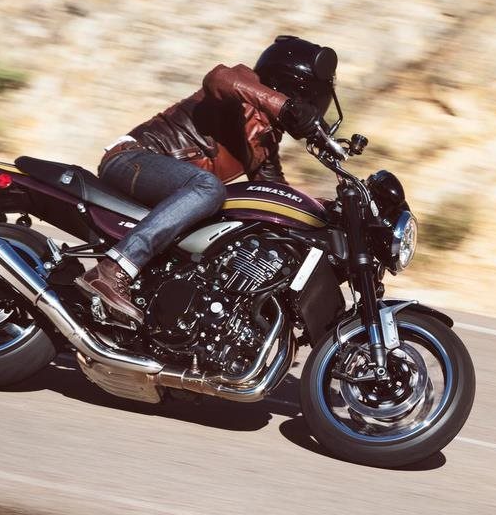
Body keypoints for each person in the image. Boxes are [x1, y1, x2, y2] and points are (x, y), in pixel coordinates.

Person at [77, 35, 338, 322]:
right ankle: (113, 269)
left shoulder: (264, 143)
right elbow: (220, 78)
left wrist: (325, 211)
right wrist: (284, 106)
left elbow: (277, 196)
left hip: (167, 190)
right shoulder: (242, 90)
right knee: (210, 188)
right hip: (131, 160)